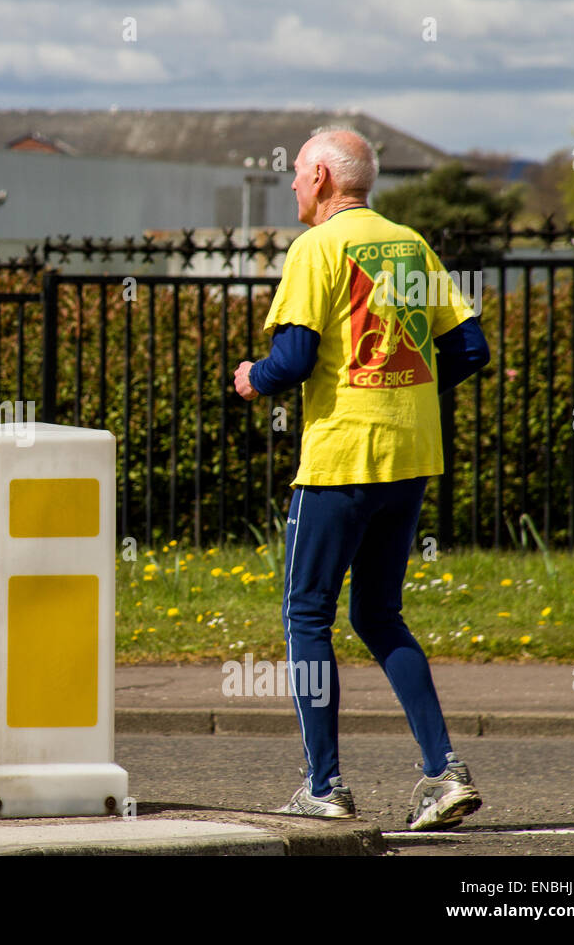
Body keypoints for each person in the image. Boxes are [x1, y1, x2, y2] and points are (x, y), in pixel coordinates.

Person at [232, 127, 489, 831]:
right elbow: (469, 346)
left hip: (341, 459)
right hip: (409, 457)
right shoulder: (410, 243)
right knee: (379, 615)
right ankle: (443, 772)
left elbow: (291, 360)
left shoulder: (315, 249)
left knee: (307, 615)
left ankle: (325, 785)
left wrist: (252, 378)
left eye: (294, 172)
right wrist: (411, 400)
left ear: (319, 176)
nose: (290, 184)